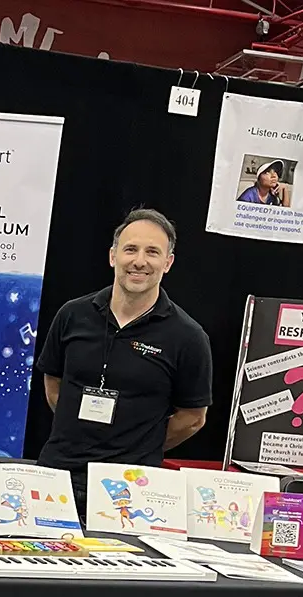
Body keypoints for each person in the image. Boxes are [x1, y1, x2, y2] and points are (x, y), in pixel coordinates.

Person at [35, 208, 212, 513]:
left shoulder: (188, 336)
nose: (139, 261)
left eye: (152, 252)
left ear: (167, 263)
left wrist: (137, 446)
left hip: (130, 489)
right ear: (112, 256)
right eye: (130, 249)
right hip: (57, 478)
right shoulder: (72, 315)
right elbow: (54, 385)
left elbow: (193, 417)